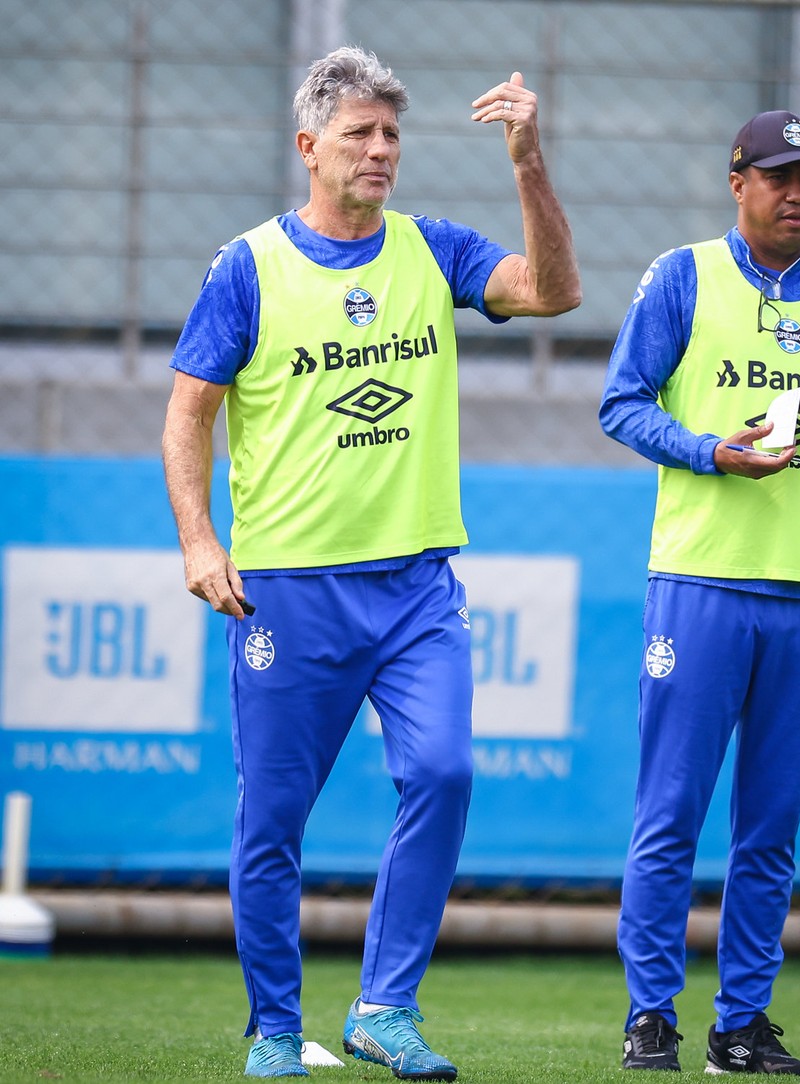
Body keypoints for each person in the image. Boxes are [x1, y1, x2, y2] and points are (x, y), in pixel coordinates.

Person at [162, 46, 579, 1080]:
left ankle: (383, 1007)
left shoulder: (431, 250)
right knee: (273, 818)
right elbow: (187, 415)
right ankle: (272, 1027)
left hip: (416, 588)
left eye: (392, 134)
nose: (382, 150)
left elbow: (555, 292)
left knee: (444, 770)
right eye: (360, 134)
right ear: (309, 146)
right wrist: (199, 540)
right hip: (288, 591)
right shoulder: (249, 266)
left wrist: (529, 162)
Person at [600, 111, 800, 1076]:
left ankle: (742, 1026)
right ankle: (652, 1014)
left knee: (771, 825)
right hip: (700, 582)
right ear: (738, 182)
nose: (799, 192)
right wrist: (712, 454)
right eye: (778, 175)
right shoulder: (684, 275)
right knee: (672, 814)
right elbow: (620, 403)